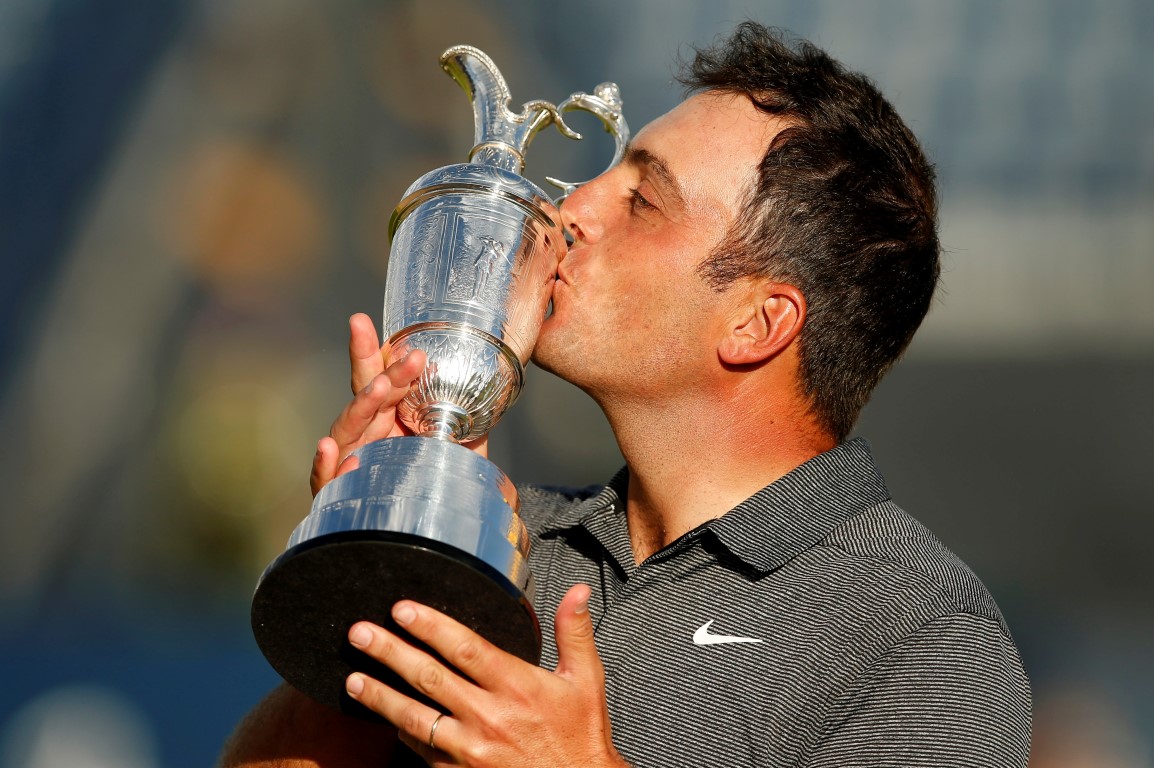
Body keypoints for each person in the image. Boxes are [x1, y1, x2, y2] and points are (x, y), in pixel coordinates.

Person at [221, 21, 1031, 768]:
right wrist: (385, 548)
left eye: (643, 201)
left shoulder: (922, 635)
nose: (571, 210)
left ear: (757, 322)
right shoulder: (507, 534)